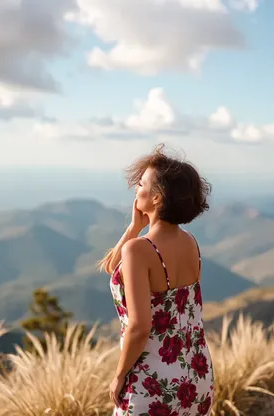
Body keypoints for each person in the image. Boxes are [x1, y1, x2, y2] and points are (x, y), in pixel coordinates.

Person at [99, 144, 214, 416]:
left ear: (158, 198)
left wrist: (119, 375)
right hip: (196, 376)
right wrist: (135, 226)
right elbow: (112, 267)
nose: (136, 190)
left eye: (141, 184)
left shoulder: (138, 250)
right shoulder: (190, 242)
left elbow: (139, 328)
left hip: (152, 382)